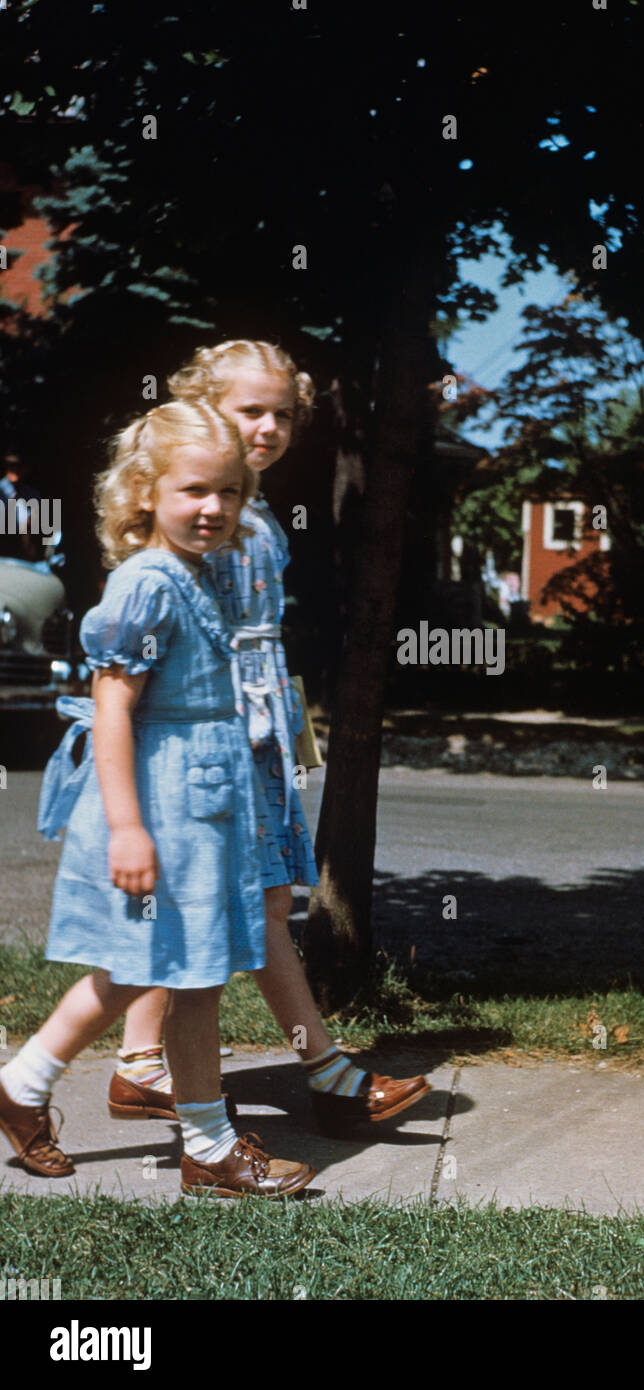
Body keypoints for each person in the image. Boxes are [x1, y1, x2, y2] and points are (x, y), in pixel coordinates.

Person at [113, 341, 431, 1137]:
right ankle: (324, 1071)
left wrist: (289, 733)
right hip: (216, 736)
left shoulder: (252, 518)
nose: (268, 426)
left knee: (245, 902)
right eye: (248, 409)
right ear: (200, 405)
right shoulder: (206, 520)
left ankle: (138, 1062)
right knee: (252, 903)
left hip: (260, 731)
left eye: (282, 413)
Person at [0, 401, 316, 1197]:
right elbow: (113, 710)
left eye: (229, 494)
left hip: (204, 800)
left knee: (150, 970)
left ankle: (22, 1084)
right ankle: (209, 1146)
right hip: (164, 802)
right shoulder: (147, 585)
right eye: (193, 492)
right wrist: (129, 829)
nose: (212, 509)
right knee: (187, 974)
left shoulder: (197, 575)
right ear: (146, 494)